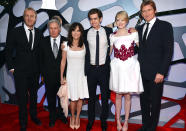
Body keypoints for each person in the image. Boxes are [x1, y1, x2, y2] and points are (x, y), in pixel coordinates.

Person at [137, 1, 174, 131]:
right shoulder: (140, 28)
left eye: (149, 10)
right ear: (141, 13)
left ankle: (152, 128)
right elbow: (139, 50)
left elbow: (168, 51)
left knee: (155, 103)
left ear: (155, 11)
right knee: (144, 103)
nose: (146, 13)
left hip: (156, 73)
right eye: (144, 11)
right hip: (142, 73)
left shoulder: (165, 26)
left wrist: (162, 72)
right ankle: (145, 126)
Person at [5, 7, 43, 131]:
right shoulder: (15, 32)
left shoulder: (39, 33)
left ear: (35, 18)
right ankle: (23, 121)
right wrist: (11, 68)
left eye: (32, 16)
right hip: (20, 72)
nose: (29, 18)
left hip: (35, 72)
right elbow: (8, 51)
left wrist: (41, 71)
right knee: (22, 98)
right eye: (27, 15)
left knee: (33, 96)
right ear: (23, 17)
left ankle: (33, 116)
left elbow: (41, 54)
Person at [109, 11, 143, 131]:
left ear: (127, 21)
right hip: (118, 68)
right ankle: (118, 121)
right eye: (118, 20)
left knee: (128, 96)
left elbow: (142, 48)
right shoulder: (112, 36)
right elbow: (108, 53)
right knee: (118, 96)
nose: (120, 22)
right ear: (116, 21)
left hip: (130, 67)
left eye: (122, 20)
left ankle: (126, 122)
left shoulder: (133, 33)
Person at [84, 8, 113, 131]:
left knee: (105, 97)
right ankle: (90, 120)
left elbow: (114, 44)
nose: (93, 21)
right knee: (90, 97)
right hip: (91, 70)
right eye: (91, 19)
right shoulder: (85, 33)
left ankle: (103, 120)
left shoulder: (108, 31)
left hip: (104, 69)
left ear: (100, 19)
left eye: (95, 18)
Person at [60, 22, 89, 130]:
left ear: (81, 32)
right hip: (70, 76)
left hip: (81, 76)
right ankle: (72, 117)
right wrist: (61, 77)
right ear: (70, 32)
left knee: (80, 98)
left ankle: (77, 117)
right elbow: (63, 62)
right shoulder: (65, 45)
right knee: (73, 99)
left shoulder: (85, 45)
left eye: (78, 30)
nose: (76, 33)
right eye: (74, 30)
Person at [39, 18, 67, 127]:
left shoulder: (66, 41)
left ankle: (61, 115)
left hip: (62, 76)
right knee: (50, 98)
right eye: (51, 28)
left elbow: (69, 60)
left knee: (62, 98)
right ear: (48, 29)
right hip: (48, 76)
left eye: (55, 28)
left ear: (59, 29)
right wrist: (43, 74)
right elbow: (40, 60)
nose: (53, 31)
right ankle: (52, 117)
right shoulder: (43, 42)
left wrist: (65, 75)